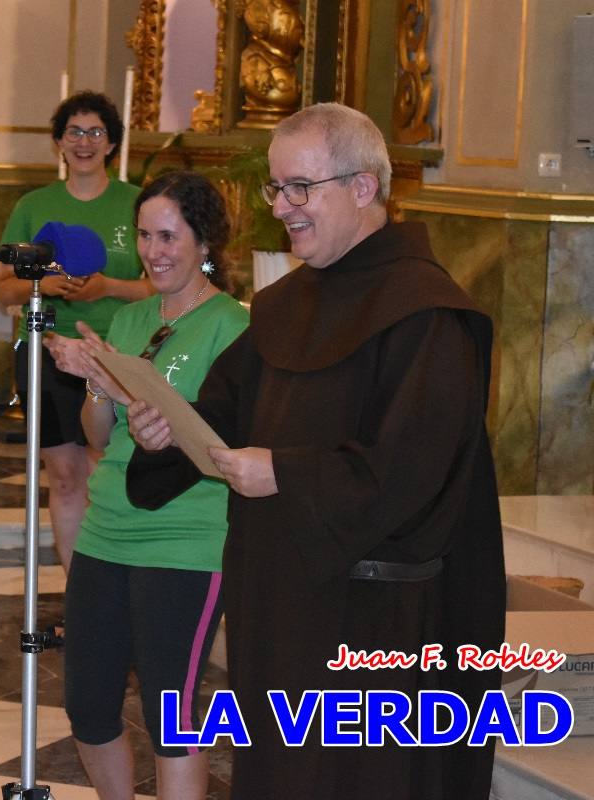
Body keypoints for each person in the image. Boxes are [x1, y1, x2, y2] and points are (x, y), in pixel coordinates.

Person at [125, 103, 506, 799]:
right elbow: (219, 412)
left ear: (364, 188)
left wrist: (284, 473)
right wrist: (165, 432)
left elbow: (410, 470)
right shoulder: (286, 305)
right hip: (280, 604)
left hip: (374, 623)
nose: (284, 209)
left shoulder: (428, 314)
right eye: (276, 189)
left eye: (301, 188)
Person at [49, 172, 249, 799]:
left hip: (185, 539)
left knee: (175, 722)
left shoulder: (233, 327)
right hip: (106, 533)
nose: (154, 251)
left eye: (169, 236)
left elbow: (229, 448)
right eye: (144, 235)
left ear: (204, 242)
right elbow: (99, 439)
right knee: (88, 705)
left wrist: (167, 423)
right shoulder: (130, 319)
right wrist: (98, 385)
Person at [0, 90, 153, 571]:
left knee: (103, 468)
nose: (84, 141)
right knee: (64, 477)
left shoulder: (136, 204)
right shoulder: (33, 205)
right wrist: (46, 283)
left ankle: (114, 579)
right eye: (74, 132)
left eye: (96, 132)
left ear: (112, 144)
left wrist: (108, 286)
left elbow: (160, 285)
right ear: (59, 143)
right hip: (47, 349)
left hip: (118, 350)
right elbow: (4, 290)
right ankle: (78, 590)